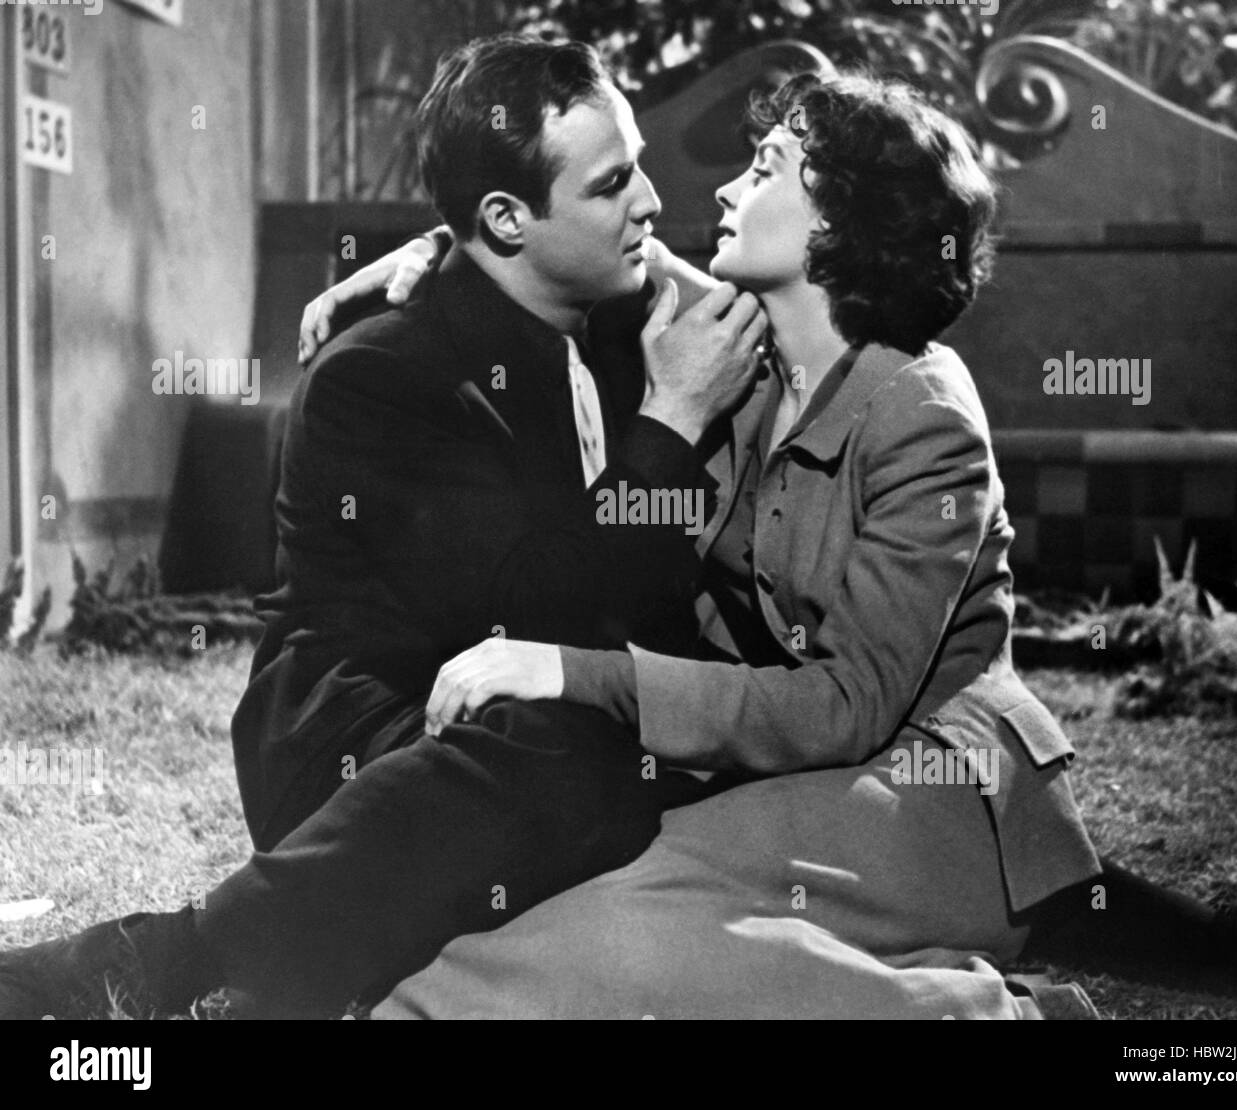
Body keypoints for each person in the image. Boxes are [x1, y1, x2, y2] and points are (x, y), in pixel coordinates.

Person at [309, 69, 1237, 1019]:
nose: (725, 189)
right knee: (625, 893)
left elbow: (844, 707)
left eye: (768, 167)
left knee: (635, 901)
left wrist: (576, 673)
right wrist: (431, 254)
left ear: (834, 226)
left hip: (929, 783)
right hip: (788, 775)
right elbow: (552, 236)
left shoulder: (923, 416)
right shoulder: (739, 343)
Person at [0, 34, 765, 1020]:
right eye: (616, 182)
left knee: (660, 759)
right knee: (575, 744)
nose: (653, 207)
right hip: (370, 739)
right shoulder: (384, 374)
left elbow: (746, 293)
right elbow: (535, 613)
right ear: (507, 218)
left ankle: (294, 968)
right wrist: (672, 427)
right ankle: (161, 961)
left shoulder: (616, 310)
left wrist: (443, 239)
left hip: (515, 721)